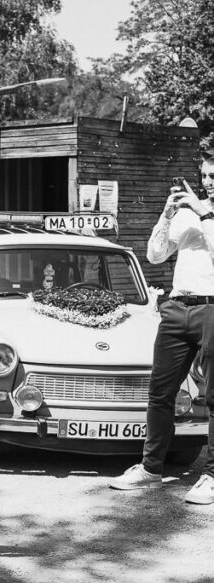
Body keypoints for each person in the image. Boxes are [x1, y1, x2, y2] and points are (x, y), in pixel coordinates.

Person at [110, 157, 214, 504]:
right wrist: (168, 212)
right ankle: (151, 468)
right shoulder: (187, 211)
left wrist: (204, 213)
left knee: (212, 396)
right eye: (203, 176)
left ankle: (212, 475)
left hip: (212, 308)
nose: (207, 181)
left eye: (212, 176)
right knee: (160, 392)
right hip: (176, 307)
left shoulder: (202, 211)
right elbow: (155, 255)